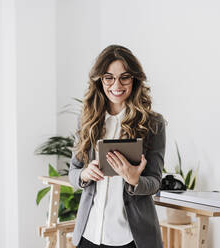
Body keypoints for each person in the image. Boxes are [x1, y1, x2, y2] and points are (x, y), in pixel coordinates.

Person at [68, 44, 166, 248]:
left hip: (131, 238)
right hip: (90, 234)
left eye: (125, 77)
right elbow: (73, 173)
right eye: (109, 77)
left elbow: (155, 182)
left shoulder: (152, 123)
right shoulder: (88, 120)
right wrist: (85, 175)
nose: (117, 85)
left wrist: (134, 179)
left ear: (135, 79)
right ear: (100, 80)